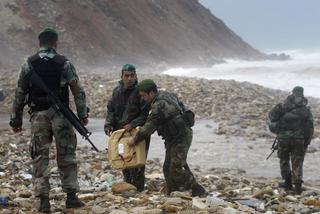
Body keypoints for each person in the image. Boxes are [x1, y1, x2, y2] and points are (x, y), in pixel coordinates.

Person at [9, 27, 87, 212]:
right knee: (67, 155)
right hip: (61, 116)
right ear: (55, 43)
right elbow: (78, 91)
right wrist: (82, 115)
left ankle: (44, 201)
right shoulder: (64, 63)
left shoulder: (29, 64)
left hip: (38, 117)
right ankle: (71, 197)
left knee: (39, 157)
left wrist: (16, 119)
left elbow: (19, 93)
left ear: (39, 43)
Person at [128, 79, 207, 197]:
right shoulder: (167, 95)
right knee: (167, 167)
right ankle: (172, 191)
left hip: (181, 138)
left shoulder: (158, 106)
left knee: (176, 168)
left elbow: (148, 128)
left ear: (151, 93)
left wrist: (134, 140)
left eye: (144, 96)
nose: (143, 99)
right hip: (174, 138)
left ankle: (198, 189)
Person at [104, 64, 150, 191]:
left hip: (137, 132)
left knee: (139, 160)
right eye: (127, 76)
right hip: (121, 133)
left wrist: (133, 124)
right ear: (122, 76)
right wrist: (108, 124)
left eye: (132, 75)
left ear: (135, 76)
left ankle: (139, 188)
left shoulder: (141, 92)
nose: (129, 78)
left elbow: (145, 113)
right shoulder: (116, 91)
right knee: (124, 158)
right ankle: (128, 186)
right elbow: (111, 110)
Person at [268, 86, 314, 194]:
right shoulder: (306, 109)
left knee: (284, 160)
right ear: (302, 94)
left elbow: (272, 117)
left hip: (283, 139)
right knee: (297, 161)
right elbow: (310, 127)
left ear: (292, 93)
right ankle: (297, 187)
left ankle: (287, 183)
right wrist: (307, 141)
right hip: (299, 140)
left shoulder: (283, 105)